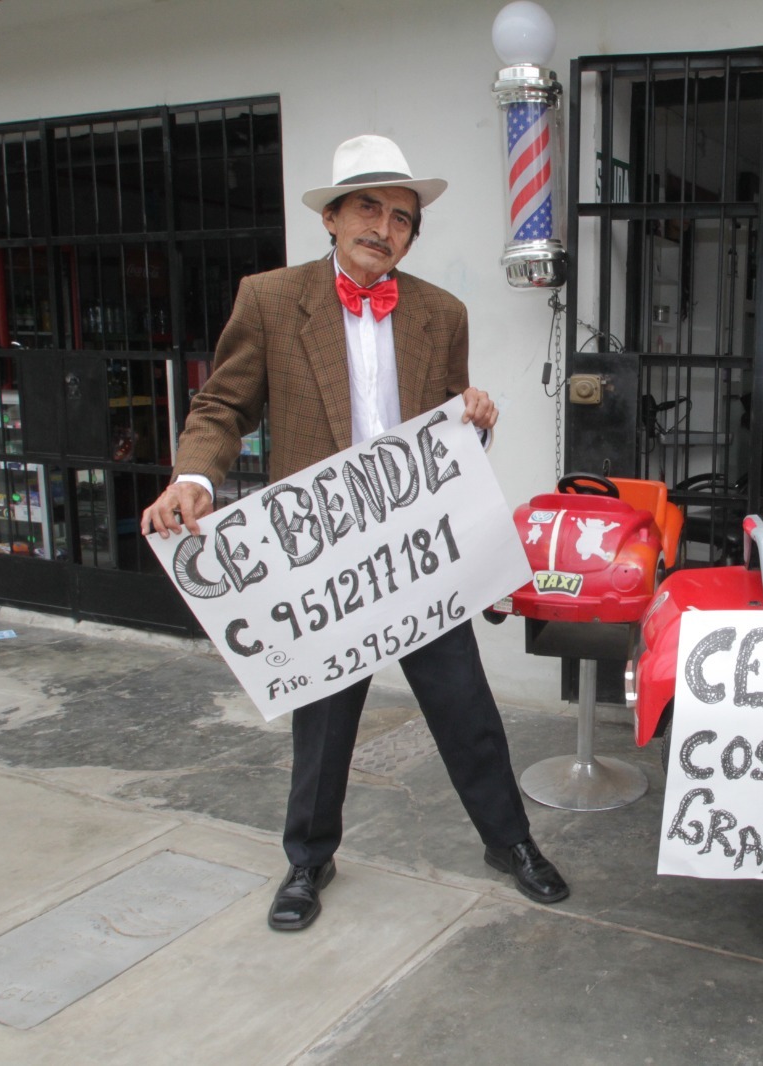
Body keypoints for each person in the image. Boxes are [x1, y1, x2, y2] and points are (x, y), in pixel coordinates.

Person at [141, 134, 568, 931]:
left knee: (466, 704)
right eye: (368, 207)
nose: (385, 226)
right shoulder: (270, 299)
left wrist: (475, 418)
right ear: (332, 216)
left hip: (415, 555)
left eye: (402, 217)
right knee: (325, 717)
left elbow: (447, 447)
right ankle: (308, 860)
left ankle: (510, 842)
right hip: (324, 563)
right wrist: (193, 478)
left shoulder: (443, 312)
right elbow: (222, 407)